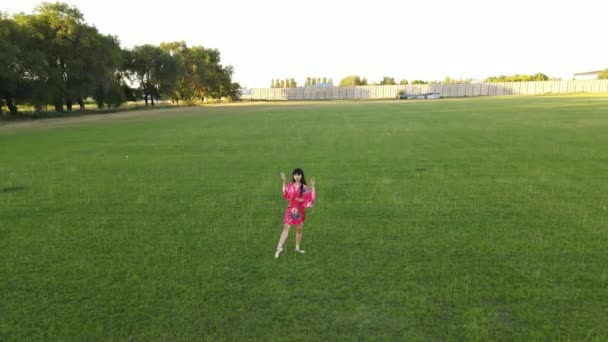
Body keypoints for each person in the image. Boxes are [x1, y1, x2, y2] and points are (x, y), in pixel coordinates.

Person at [275, 168, 316, 258]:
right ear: (293, 176)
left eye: (299, 174)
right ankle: (279, 248)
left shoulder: (305, 188)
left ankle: (297, 248)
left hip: (300, 212)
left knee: (299, 230)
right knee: (286, 228)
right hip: (290, 210)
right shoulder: (290, 186)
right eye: (295, 174)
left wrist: (312, 186)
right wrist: (284, 180)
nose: (297, 176)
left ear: (301, 176)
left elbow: (311, 198)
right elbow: (285, 191)